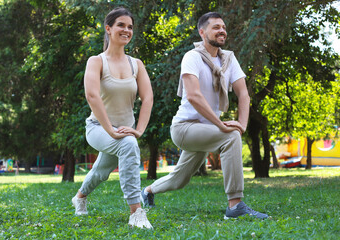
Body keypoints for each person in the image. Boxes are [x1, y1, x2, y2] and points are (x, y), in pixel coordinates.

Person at [141, 12, 268, 220]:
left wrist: (242, 125)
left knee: (179, 179)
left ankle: (147, 192)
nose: (222, 31)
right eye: (216, 27)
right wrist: (221, 124)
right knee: (230, 137)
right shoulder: (192, 57)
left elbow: (243, 94)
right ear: (202, 32)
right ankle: (235, 206)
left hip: (206, 129)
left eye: (224, 27)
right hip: (185, 128)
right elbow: (193, 95)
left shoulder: (228, 59)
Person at [72, 7, 153, 229]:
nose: (126, 30)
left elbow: (148, 99)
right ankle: (136, 212)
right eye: (121, 25)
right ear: (108, 29)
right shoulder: (96, 61)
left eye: (130, 27)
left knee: (101, 171)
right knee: (127, 144)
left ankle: (79, 197)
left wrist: (139, 130)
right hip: (99, 127)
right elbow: (92, 95)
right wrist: (110, 130)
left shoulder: (136, 64)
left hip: (125, 130)